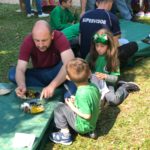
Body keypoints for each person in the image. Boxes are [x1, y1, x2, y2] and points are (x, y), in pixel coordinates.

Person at [8, 20, 75, 99]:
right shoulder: (28, 41)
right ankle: (57, 86)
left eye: (44, 40)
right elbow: (20, 69)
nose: (40, 45)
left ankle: (55, 86)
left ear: (52, 35)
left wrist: (52, 86)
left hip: (57, 71)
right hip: (40, 74)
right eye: (37, 40)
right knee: (13, 74)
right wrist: (21, 85)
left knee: (70, 69)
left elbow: (70, 64)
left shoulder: (59, 37)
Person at [49, 58, 100, 145]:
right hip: (93, 122)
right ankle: (90, 131)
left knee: (59, 107)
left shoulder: (81, 93)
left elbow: (87, 115)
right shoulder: (93, 86)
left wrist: (72, 107)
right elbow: (92, 101)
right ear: (89, 73)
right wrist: (76, 100)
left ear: (68, 78)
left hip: (82, 125)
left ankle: (65, 135)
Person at [88, 28, 140, 106]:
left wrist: (105, 76)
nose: (99, 48)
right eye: (97, 45)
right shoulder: (90, 55)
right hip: (93, 83)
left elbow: (114, 78)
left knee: (113, 101)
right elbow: (84, 66)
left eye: (102, 46)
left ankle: (124, 87)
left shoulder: (113, 59)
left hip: (107, 83)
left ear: (109, 46)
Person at [80, 0, 138, 67]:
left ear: (96, 3)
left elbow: (80, 39)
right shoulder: (111, 17)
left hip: (85, 56)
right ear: (111, 2)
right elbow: (115, 45)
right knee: (133, 45)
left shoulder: (84, 15)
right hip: (102, 60)